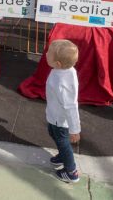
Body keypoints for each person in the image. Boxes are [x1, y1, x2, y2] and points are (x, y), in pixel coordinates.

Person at [45, 39, 81, 183]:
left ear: (58, 64)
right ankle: (63, 156)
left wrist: (74, 129)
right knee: (52, 133)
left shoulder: (61, 82)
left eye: (49, 53)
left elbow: (71, 106)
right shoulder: (64, 71)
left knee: (62, 141)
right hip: (54, 115)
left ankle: (71, 172)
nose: (46, 53)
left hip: (60, 120)